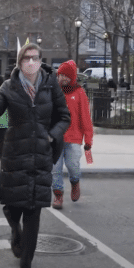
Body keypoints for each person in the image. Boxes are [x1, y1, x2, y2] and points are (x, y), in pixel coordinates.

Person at [0, 43, 70, 268]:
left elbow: (64, 116)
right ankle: (15, 230)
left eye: (35, 57)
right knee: (13, 206)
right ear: (19, 61)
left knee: (33, 211)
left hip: (41, 156)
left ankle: (27, 264)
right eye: (27, 58)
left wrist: (51, 135)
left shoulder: (50, 84)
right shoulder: (9, 86)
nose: (31, 62)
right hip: (15, 154)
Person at [51, 60, 93, 210]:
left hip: (73, 137)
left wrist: (88, 140)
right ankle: (58, 195)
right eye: (60, 75)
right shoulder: (53, 91)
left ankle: (75, 182)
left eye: (65, 76)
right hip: (55, 138)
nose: (62, 78)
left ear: (72, 78)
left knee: (72, 165)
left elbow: (85, 118)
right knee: (55, 169)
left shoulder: (79, 92)